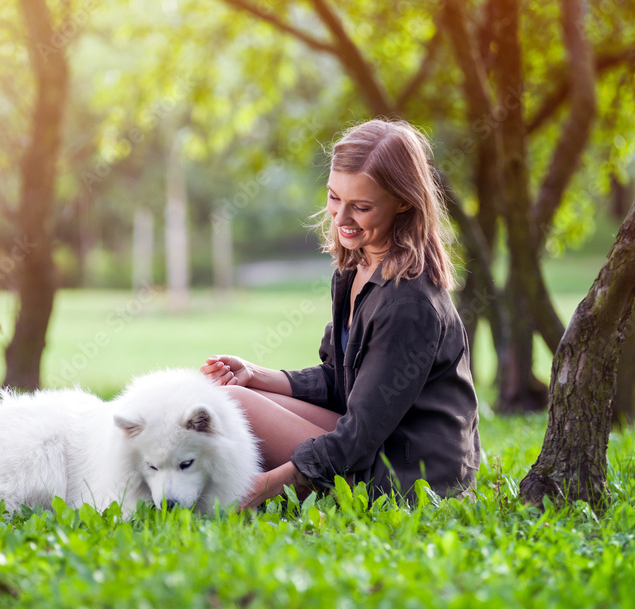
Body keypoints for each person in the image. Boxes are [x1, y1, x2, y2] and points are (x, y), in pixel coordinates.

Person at [201, 118, 480, 509]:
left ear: (403, 201)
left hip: (413, 474)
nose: (341, 218)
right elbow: (342, 380)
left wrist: (264, 487)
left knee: (234, 405)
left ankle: (237, 492)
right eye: (334, 198)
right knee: (236, 393)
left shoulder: (408, 304)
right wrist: (257, 374)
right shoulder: (357, 268)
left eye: (361, 207)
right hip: (376, 444)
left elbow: (359, 433)